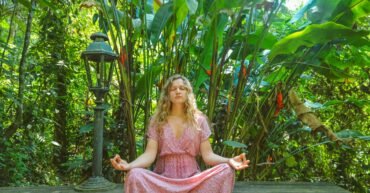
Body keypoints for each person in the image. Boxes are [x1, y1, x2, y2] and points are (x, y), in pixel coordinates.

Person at [111, 74, 250, 193]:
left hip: (192, 182)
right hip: (162, 181)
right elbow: (149, 155)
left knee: (226, 169)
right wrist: (129, 166)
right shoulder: (157, 120)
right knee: (134, 174)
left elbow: (208, 156)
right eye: (173, 89)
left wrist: (229, 161)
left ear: (187, 92)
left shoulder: (199, 120)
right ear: (167, 94)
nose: (178, 91)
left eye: (182, 88)